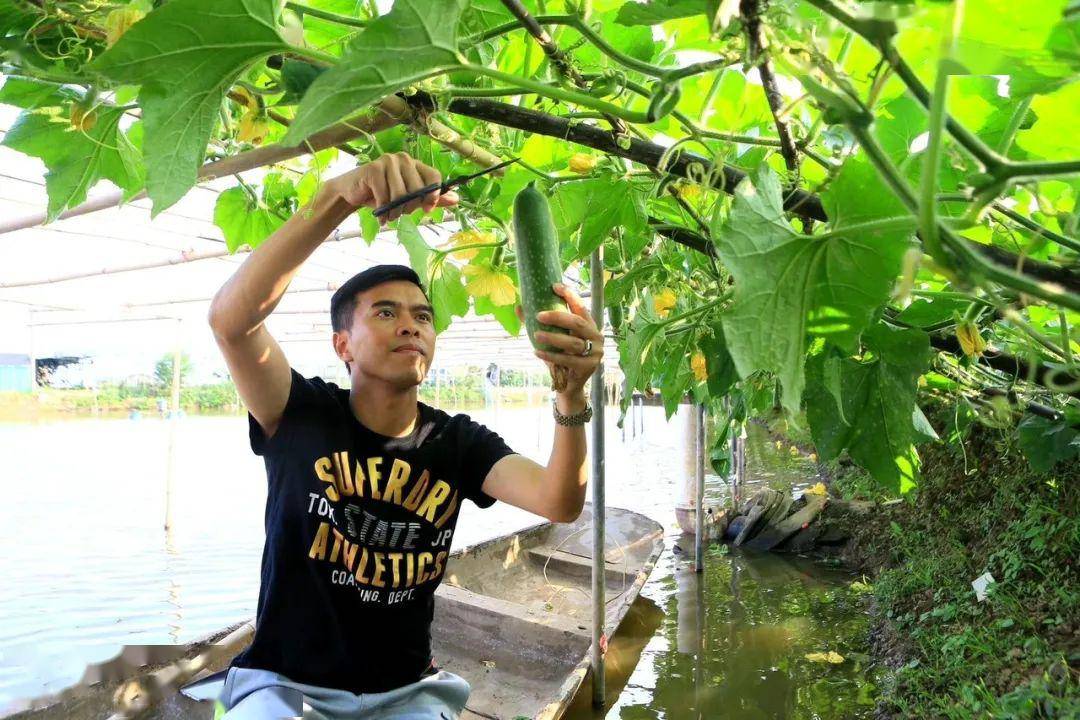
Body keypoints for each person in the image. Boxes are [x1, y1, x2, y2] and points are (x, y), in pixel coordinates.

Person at [183, 152, 604, 719]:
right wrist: (341, 195)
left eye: (423, 316)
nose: (411, 324)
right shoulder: (299, 412)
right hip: (284, 687)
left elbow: (560, 501)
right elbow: (232, 322)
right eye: (385, 313)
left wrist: (570, 395)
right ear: (343, 345)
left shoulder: (457, 443)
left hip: (405, 694)